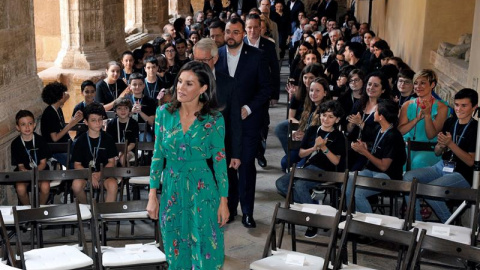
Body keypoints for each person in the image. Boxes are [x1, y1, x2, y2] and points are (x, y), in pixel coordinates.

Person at [146, 61, 229, 269]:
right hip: (172, 188)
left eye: (189, 84)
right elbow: (157, 156)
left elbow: (220, 162)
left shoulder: (214, 119)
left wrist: (224, 200)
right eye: (180, 82)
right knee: (175, 249)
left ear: (203, 88)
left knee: (206, 247)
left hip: (202, 189)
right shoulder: (163, 114)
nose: (181, 88)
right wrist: (152, 195)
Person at [215, 17, 272, 228]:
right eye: (228, 32)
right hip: (223, 124)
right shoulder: (216, 55)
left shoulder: (256, 56)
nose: (231, 36)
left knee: (246, 165)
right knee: (227, 166)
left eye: (236, 32)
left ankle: (248, 212)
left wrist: (248, 108)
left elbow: (266, 88)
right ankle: (229, 208)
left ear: (243, 34)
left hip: (248, 122)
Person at [404, 88, 478, 223]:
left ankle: (449, 224)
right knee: (408, 178)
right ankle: (416, 223)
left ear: (474, 107)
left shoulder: (476, 129)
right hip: (442, 166)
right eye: (456, 105)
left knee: (431, 190)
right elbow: (437, 152)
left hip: (462, 173)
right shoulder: (450, 122)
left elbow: (470, 161)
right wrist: (441, 146)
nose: (458, 109)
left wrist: (450, 144)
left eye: (464, 105)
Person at [276, 100, 345, 237]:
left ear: (337, 120)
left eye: (331, 117)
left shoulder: (338, 136)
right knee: (281, 183)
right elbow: (301, 153)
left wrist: (324, 148)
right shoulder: (313, 130)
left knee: (300, 186)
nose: (326, 119)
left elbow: (336, 161)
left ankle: (312, 222)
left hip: (326, 171)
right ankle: (316, 208)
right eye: (324, 115)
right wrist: (314, 147)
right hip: (307, 167)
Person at [192, 39, 242, 218]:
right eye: (196, 60)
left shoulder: (228, 83)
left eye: (203, 61)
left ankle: (228, 209)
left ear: (215, 58)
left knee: (225, 179)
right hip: (196, 146)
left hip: (223, 144)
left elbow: (235, 120)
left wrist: (236, 153)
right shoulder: (188, 82)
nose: (199, 65)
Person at [346, 99, 406, 213]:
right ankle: (351, 215)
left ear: (381, 116)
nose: (373, 113)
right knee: (350, 177)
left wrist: (364, 152)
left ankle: (369, 224)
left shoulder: (393, 136)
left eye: (376, 111)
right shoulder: (379, 129)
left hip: (388, 176)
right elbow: (376, 147)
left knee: (359, 193)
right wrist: (364, 147)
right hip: (373, 171)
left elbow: (384, 167)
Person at [398, 69, 449, 170]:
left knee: (418, 163)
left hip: (428, 150)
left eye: (423, 83)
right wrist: (416, 119)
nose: (418, 87)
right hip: (406, 148)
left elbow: (431, 135)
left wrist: (427, 116)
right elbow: (400, 131)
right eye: (416, 83)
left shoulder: (442, 107)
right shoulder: (407, 105)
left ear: (432, 85)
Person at [72, 103, 118, 203]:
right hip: (85, 175)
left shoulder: (108, 139)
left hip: (104, 174)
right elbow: (77, 164)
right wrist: (90, 175)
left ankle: (106, 214)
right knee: (76, 185)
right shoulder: (80, 141)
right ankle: (87, 209)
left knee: (113, 184)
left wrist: (100, 174)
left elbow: (111, 162)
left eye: (100, 119)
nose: (98, 123)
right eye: (93, 120)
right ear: (86, 122)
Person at [11, 110, 52, 205]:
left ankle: (40, 209)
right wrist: (25, 171)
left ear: (34, 124)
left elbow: (43, 163)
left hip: (40, 171)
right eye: (23, 124)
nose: (27, 127)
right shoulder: (15, 144)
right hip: (24, 173)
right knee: (20, 188)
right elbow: (20, 165)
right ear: (17, 127)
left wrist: (35, 171)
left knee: (45, 187)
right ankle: (28, 210)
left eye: (30, 123)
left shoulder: (40, 140)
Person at [40, 82, 83, 167]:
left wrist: (74, 120)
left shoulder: (58, 109)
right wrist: (70, 124)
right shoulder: (50, 113)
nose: (65, 95)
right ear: (59, 97)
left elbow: (67, 96)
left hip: (65, 145)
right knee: (78, 162)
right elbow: (55, 138)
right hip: (57, 150)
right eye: (63, 93)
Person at [106, 98, 138, 167]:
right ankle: (112, 177)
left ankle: (124, 176)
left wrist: (122, 152)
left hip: (129, 151)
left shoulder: (133, 123)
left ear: (130, 110)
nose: (123, 110)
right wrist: (116, 153)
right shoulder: (111, 124)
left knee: (123, 158)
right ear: (115, 111)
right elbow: (108, 143)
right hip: (113, 151)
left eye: (126, 108)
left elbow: (132, 144)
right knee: (112, 160)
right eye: (119, 108)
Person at [127, 72, 156, 142]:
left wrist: (140, 112)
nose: (137, 87)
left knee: (146, 139)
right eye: (134, 84)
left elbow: (151, 122)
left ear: (144, 85)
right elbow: (120, 118)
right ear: (130, 86)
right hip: (128, 130)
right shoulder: (125, 100)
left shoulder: (150, 101)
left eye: (140, 84)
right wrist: (131, 112)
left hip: (145, 131)